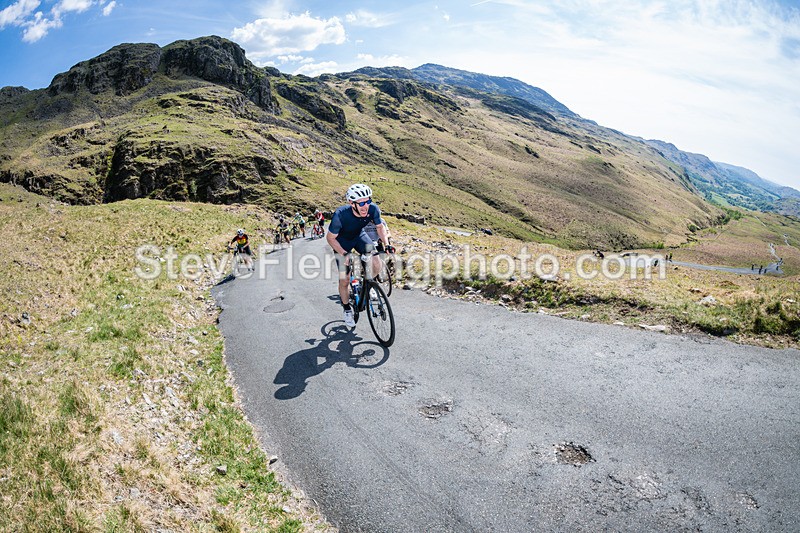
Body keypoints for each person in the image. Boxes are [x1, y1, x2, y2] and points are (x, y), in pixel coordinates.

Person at [326, 184, 395, 327]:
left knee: (376, 261)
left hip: (359, 237)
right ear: (352, 203)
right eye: (361, 203)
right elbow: (330, 238)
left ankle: (368, 285)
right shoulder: (340, 215)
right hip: (342, 243)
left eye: (368, 201)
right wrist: (344, 254)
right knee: (344, 280)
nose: (366, 206)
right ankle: (346, 310)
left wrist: (387, 244)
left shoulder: (373, 209)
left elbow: (380, 227)